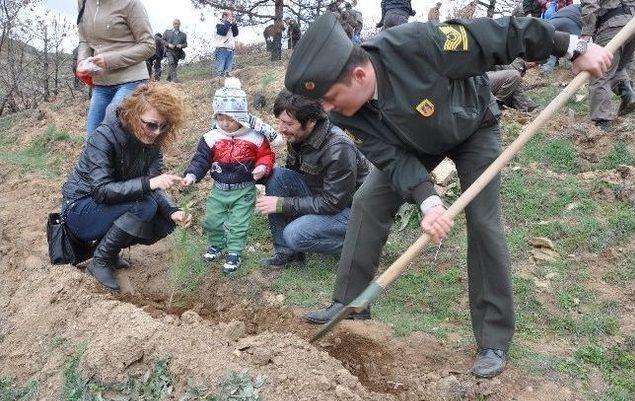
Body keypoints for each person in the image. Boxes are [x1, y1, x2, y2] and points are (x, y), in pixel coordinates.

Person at [285, 13, 611, 377]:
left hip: (473, 128)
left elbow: (498, 35)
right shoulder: (346, 110)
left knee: (483, 222)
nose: (327, 110)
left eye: (330, 98)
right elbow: (391, 158)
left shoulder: (418, 45)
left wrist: (572, 47)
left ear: (359, 75)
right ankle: (350, 302)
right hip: (413, 145)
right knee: (368, 201)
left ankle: (493, 339)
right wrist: (428, 199)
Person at [61, 83, 192, 292]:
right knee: (144, 206)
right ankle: (100, 261)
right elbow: (101, 191)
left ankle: (106, 251)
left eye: (164, 126)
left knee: (164, 218)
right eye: (151, 125)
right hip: (80, 210)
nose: (156, 132)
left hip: (108, 207)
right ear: (133, 114)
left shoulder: (153, 144)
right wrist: (148, 183)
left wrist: (173, 211)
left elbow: (153, 186)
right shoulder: (103, 137)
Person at [257, 90, 369, 268]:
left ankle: (361, 248)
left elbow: (333, 203)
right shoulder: (297, 136)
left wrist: (283, 204)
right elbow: (294, 175)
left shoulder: (338, 147)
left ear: (311, 121)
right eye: (279, 121)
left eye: (287, 123)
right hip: (322, 196)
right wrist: (260, 174)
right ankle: (288, 254)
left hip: (354, 212)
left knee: (294, 234)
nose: (281, 128)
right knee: (276, 176)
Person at [182, 78, 275, 273]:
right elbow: (201, 159)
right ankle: (217, 245)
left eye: (230, 119)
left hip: (244, 190)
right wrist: (191, 174)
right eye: (220, 118)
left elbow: (267, 155)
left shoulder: (255, 137)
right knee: (212, 220)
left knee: (238, 223)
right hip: (219, 189)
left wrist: (262, 167)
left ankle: (234, 253)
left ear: (241, 117)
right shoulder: (211, 137)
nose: (225, 123)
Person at [76, 0, 154, 137]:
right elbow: (84, 40)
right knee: (91, 140)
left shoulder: (131, 3)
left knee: (110, 136)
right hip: (100, 84)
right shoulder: (83, 2)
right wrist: (82, 61)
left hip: (131, 80)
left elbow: (148, 46)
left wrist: (110, 59)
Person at [581, 0, 635, 130]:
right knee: (617, 67)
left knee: (600, 73)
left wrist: (585, 35)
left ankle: (602, 121)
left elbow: (590, 4)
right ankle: (627, 92)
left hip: (613, 25)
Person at [541, 4, 582, 74]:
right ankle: (578, 70)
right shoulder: (586, 8)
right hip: (570, 22)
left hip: (552, 22)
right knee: (578, 46)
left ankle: (547, 71)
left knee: (552, 45)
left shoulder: (570, 7)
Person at [214, 10, 239, 77]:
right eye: (230, 16)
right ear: (225, 16)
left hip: (231, 50)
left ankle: (226, 85)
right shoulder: (219, 24)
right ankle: (218, 83)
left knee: (228, 71)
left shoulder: (228, 25)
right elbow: (223, 32)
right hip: (221, 50)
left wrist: (234, 24)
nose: (232, 17)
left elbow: (235, 34)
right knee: (220, 70)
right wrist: (228, 22)